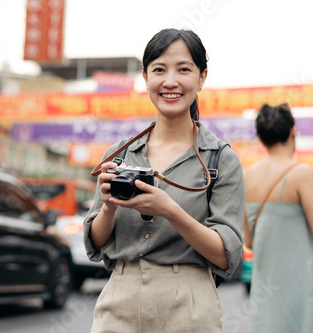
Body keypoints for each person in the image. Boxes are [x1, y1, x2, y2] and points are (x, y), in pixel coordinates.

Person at [83, 28, 245, 333]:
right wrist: (108, 208)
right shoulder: (119, 154)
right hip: (120, 300)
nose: (170, 81)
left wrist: (169, 209)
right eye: (159, 70)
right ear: (146, 78)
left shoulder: (220, 160)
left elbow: (226, 255)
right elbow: (96, 243)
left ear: (202, 77)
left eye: (184, 69)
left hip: (190, 304)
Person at [243, 103, 313, 333]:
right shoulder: (302, 174)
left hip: (265, 295)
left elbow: (250, 241)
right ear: (293, 132)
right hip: (301, 290)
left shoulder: (246, 177)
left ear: (262, 139)